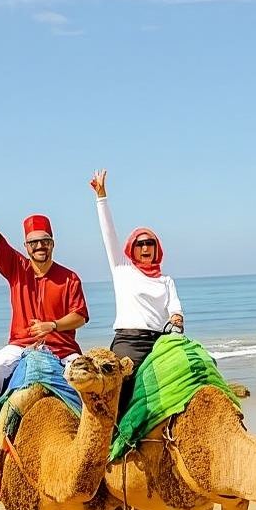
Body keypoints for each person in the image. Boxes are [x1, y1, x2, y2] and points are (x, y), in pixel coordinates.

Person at [0, 173, 89, 402]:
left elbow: (80, 316)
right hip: (21, 346)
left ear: (52, 243)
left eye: (44, 241)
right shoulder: (17, 267)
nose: (40, 246)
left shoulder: (69, 277)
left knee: (89, 381)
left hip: (63, 350)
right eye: (34, 242)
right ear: (26, 246)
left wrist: (52, 326)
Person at [89, 168, 184, 411]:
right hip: (129, 342)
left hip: (161, 341)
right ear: (132, 248)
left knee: (190, 376)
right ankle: (115, 438)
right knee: (121, 389)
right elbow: (108, 233)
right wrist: (102, 196)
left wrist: (176, 318)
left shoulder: (166, 280)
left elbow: (175, 309)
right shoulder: (122, 269)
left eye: (149, 243)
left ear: (156, 248)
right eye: (140, 244)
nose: (145, 248)